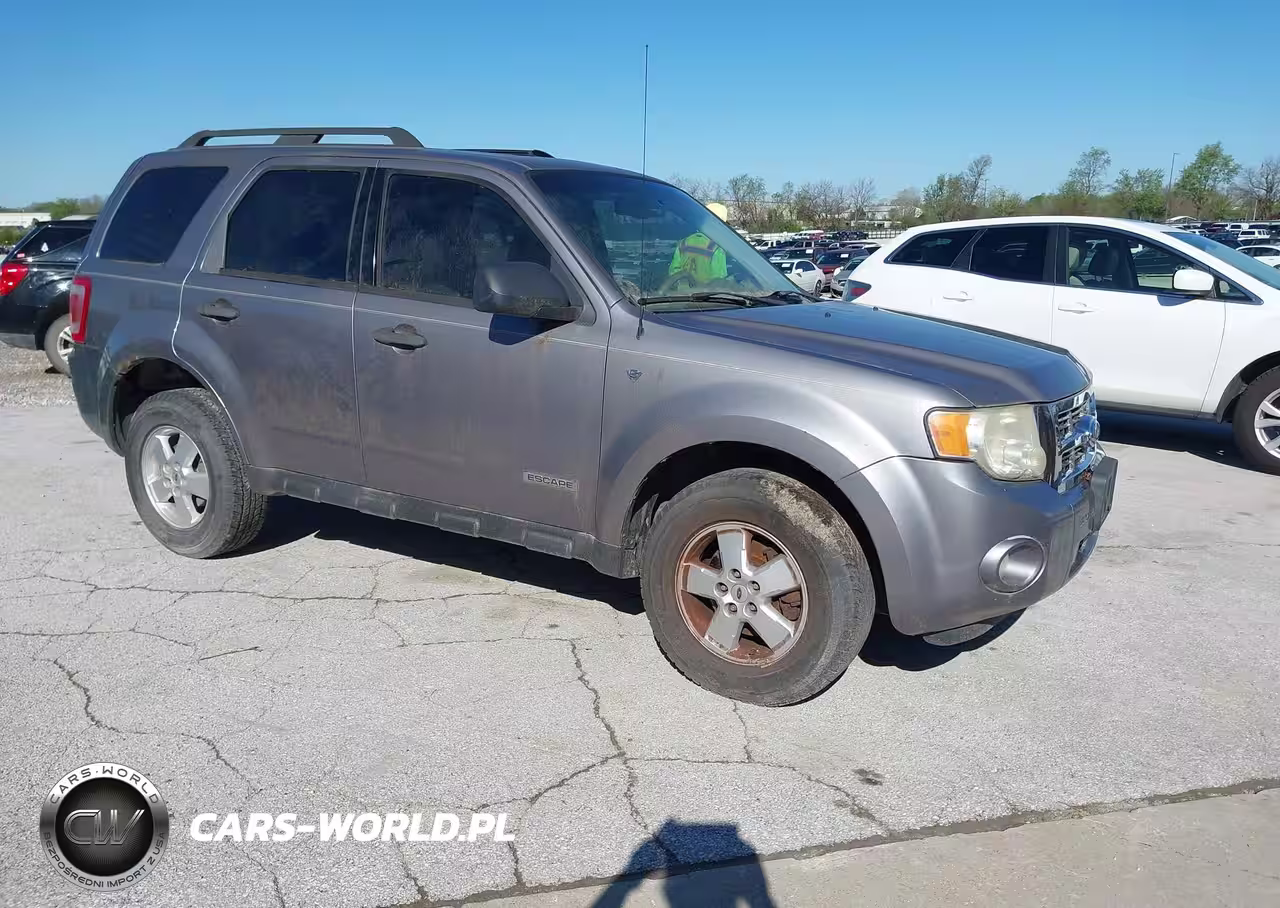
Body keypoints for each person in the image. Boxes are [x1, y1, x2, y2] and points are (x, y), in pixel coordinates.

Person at [667, 202, 730, 286]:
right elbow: (719, 281)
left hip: (682, 294)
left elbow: (673, 273)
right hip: (705, 296)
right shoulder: (717, 248)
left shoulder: (684, 242)